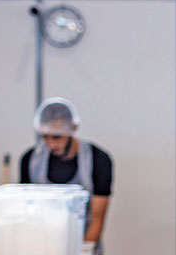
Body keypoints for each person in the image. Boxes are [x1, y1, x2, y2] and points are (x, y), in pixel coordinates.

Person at [20, 97, 113, 243]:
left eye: (57, 137)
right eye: (45, 137)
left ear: (72, 129)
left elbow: (97, 219)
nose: (51, 145)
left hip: (83, 241)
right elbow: (25, 210)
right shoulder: (31, 160)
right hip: (42, 244)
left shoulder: (98, 160)